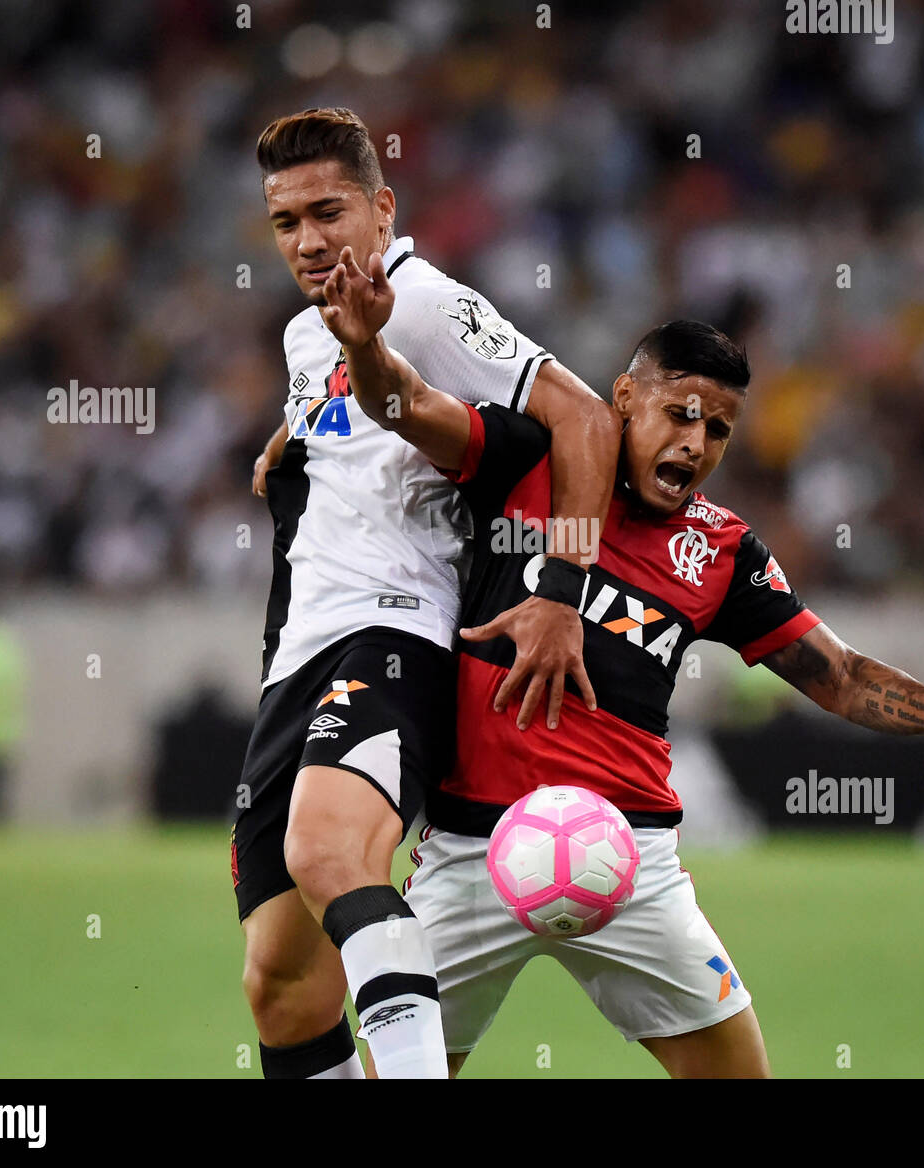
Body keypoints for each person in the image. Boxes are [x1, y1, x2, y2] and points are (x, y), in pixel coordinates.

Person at [318, 249, 924, 1078]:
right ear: (623, 400)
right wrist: (362, 345)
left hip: (628, 857)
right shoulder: (526, 459)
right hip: (473, 847)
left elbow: (839, 674)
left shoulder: (720, 551)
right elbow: (407, 406)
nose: (695, 443)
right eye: (679, 414)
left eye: (717, 428)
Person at [234, 108, 621, 1079]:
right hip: (299, 655)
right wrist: (289, 447)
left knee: (329, 853)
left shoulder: (422, 300)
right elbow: (361, 423)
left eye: (328, 212)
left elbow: (581, 418)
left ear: (381, 207)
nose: (309, 240)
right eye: (286, 222)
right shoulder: (300, 335)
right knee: (280, 982)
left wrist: (562, 589)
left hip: (392, 635)